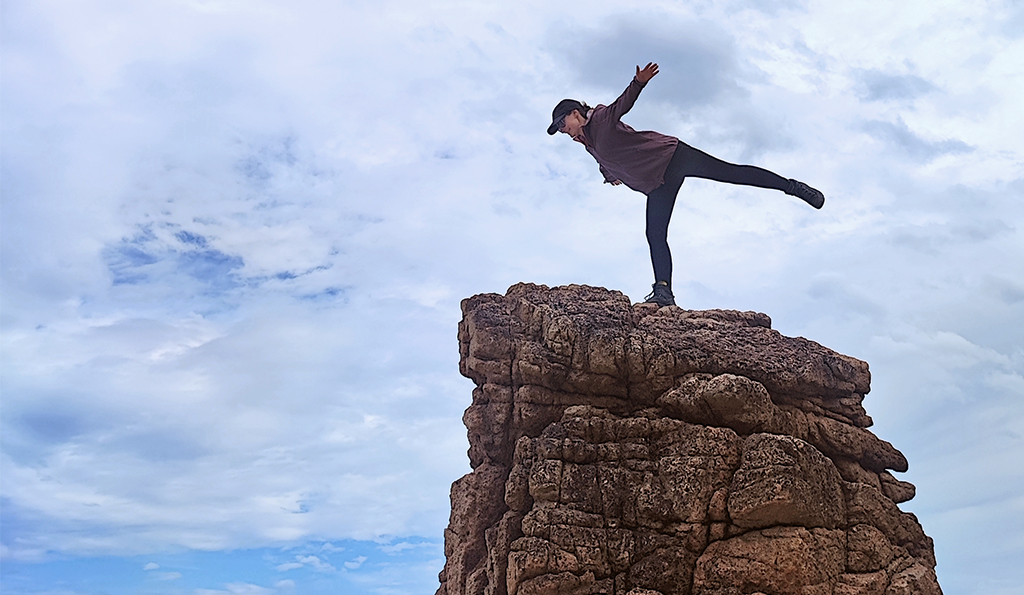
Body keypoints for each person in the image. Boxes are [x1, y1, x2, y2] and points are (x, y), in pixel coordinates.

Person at [548, 62, 825, 307]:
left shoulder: (601, 118)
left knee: (731, 173)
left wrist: (639, 82)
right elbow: (604, 159)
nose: (563, 130)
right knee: (654, 234)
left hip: (672, 157)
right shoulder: (586, 142)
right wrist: (610, 176)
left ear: (575, 113)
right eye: (559, 128)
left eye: (562, 124)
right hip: (657, 182)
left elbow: (623, 103)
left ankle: (793, 187)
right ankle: (663, 293)